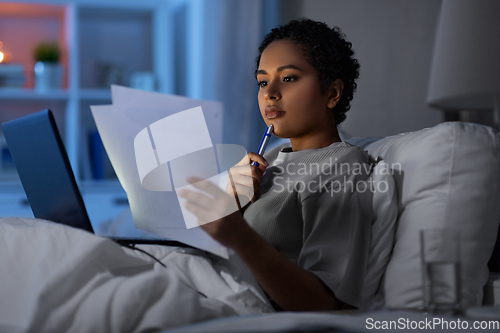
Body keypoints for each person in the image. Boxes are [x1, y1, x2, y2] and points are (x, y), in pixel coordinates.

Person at [179, 19, 373, 312]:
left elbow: (326, 304)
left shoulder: (345, 164)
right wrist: (234, 203)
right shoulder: (272, 159)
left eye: (289, 78)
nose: (270, 92)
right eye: (262, 81)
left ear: (332, 93)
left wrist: (238, 235)